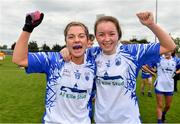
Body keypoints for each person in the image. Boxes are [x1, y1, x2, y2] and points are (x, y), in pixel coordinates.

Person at [61, 11, 176, 123]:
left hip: (129, 120)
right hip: (101, 120)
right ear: (96, 36)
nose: (106, 39)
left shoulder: (132, 52)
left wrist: (151, 25)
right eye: (101, 34)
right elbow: (75, 49)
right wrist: (66, 50)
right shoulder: (92, 54)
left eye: (111, 34)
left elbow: (169, 46)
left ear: (119, 35)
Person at [12, 11, 97, 124]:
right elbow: (19, 59)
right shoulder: (53, 60)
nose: (76, 40)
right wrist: (27, 28)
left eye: (81, 36)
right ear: (65, 41)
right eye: (71, 37)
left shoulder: (96, 63)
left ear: (87, 41)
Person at [154, 52, 180, 123]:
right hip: (159, 85)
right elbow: (148, 63)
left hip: (169, 86)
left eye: (169, 51)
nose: (167, 52)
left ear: (172, 51)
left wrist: (176, 72)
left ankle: (163, 115)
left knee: (168, 106)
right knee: (160, 105)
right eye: (166, 51)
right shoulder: (159, 58)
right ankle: (159, 121)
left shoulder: (176, 60)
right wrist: (152, 71)